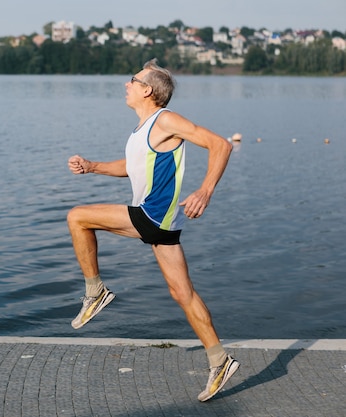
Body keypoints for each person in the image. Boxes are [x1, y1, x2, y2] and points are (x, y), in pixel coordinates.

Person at [66, 59, 239, 402]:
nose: (126, 85)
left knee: (77, 217)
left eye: (133, 80)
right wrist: (92, 167)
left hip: (151, 216)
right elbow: (131, 168)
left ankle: (95, 290)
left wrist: (205, 190)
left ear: (147, 90)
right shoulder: (143, 129)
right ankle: (220, 361)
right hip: (164, 224)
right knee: (183, 294)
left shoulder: (165, 120)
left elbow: (221, 144)